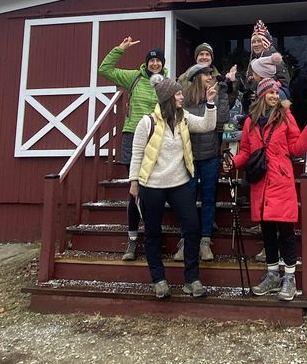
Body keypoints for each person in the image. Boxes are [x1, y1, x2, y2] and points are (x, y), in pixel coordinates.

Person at [228, 77, 307, 301]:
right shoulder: (250, 121)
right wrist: (232, 162)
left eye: (277, 93)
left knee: (286, 232)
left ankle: (289, 277)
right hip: (260, 182)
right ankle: (272, 275)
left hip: (281, 179)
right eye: (270, 93)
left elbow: (297, 148)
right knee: (267, 231)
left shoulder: (286, 117)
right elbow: (247, 152)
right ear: (261, 95)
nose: (274, 96)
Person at [129, 73, 218, 299]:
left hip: (179, 183)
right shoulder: (146, 122)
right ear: (169, 97)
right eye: (178, 93)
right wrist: (134, 182)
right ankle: (158, 280)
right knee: (152, 232)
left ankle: (192, 279)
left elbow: (208, 125)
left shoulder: (184, 118)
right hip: (152, 184)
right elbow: (137, 154)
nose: (182, 96)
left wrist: (210, 102)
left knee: (192, 228)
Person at [98, 36, 166, 261]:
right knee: (134, 190)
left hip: (157, 138)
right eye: (151, 60)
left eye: (158, 61)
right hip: (132, 137)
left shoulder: (167, 83)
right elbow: (105, 69)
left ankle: (153, 236)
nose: (155, 64)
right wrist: (120, 49)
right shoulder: (134, 78)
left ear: (163, 64)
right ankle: (133, 238)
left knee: (154, 191)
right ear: (146, 63)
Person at [175, 62, 234, 261]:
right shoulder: (186, 99)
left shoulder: (215, 94)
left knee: (209, 198)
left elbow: (222, 118)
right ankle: (186, 240)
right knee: (187, 200)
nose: (210, 77)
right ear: (197, 77)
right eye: (206, 75)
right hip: (189, 156)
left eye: (211, 74)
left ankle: (205, 241)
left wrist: (223, 94)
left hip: (210, 156)